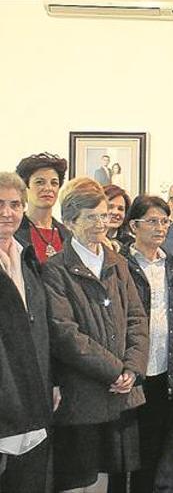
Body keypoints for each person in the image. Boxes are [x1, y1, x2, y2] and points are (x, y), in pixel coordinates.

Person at [43, 182, 149, 493]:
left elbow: (137, 318)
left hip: (121, 395)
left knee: (111, 478)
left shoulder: (118, 264)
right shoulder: (55, 269)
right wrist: (115, 371)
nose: (99, 224)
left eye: (103, 216)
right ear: (70, 222)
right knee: (80, 480)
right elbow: (64, 333)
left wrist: (131, 369)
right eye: (90, 217)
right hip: (81, 395)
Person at [118, 196, 173, 492]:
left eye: (165, 222)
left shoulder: (172, 265)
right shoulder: (120, 264)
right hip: (133, 372)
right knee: (131, 453)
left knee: (158, 449)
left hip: (166, 371)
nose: (160, 228)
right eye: (152, 221)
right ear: (133, 226)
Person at [0, 172, 54, 493]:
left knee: (28, 479)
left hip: (32, 389)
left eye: (14, 204)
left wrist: (53, 380)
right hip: (3, 391)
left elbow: (42, 325)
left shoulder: (27, 257)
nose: (7, 212)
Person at [15, 152, 70, 263]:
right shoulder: (14, 231)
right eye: (40, 182)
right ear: (25, 187)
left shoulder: (67, 234)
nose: (48, 188)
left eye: (54, 183)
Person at [104, 185, 133, 251]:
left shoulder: (131, 244)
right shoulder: (89, 241)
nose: (115, 212)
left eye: (120, 209)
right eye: (110, 207)